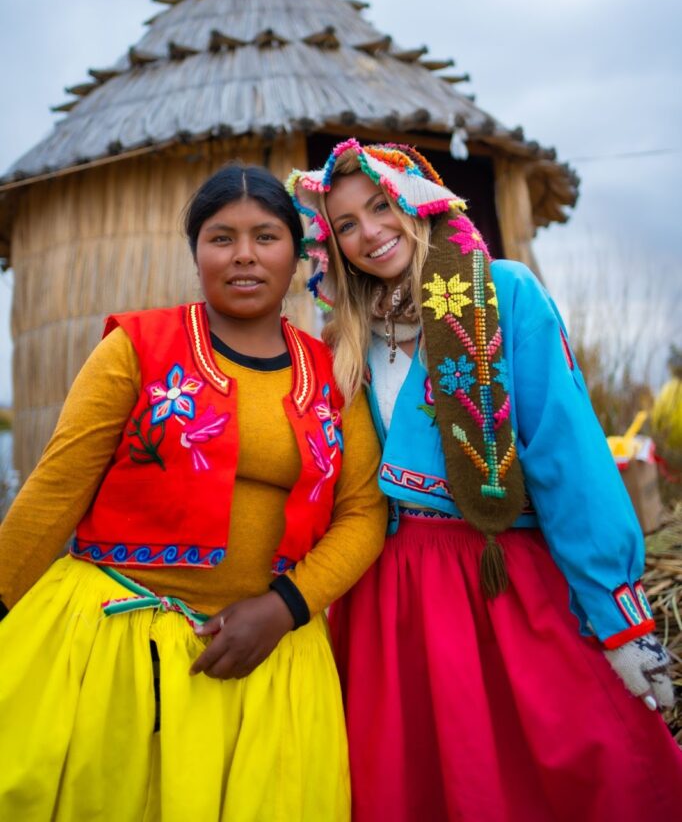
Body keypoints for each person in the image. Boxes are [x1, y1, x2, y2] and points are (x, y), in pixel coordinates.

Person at [288, 139, 682, 822]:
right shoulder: (345, 335)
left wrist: (620, 622)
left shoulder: (502, 292)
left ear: (416, 204)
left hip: (500, 577)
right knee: (419, 783)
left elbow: (568, 458)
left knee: (574, 763)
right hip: (393, 594)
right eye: (346, 224)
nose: (368, 233)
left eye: (381, 207)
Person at [0, 163, 386, 822]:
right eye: (220, 237)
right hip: (115, 654)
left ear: (296, 254)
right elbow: (56, 489)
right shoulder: (137, 349)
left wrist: (286, 607)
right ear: (196, 252)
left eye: (265, 237)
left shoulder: (333, 373)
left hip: (271, 660)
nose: (243, 255)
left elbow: (363, 513)